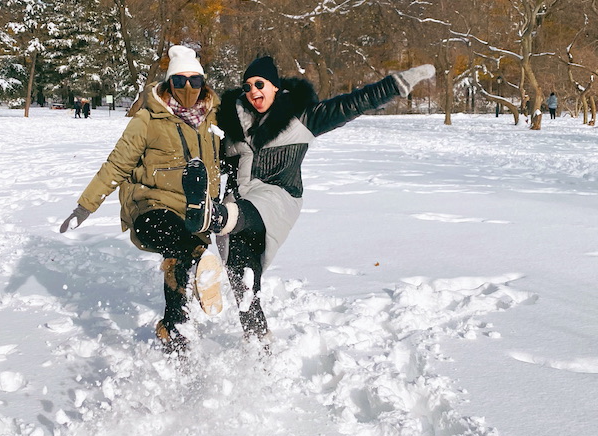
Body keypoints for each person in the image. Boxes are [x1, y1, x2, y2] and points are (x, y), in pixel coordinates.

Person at [182, 55, 436, 346]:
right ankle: (259, 348)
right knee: (245, 283)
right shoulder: (232, 126)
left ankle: (213, 218)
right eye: (248, 86)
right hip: (236, 206)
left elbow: (354, 103)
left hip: (277, 198)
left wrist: (398, 84)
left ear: (275, 86)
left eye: (260, 84)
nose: (254, 91)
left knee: (250, 209)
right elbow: (216, 161)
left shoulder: (300, 117)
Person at [59, 45, 223, 354]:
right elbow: (117, 164)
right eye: (179, 81)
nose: (187, 88)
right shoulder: (148, 119)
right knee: (182, 244)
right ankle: (181, 317)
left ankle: (175, 326)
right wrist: (85, 206)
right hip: (150, 205)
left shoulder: (214, 119)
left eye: (194, 81)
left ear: (204, 83)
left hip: (196, 211)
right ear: (168, 83)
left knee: (182, 254)